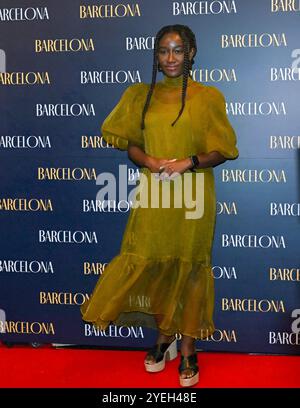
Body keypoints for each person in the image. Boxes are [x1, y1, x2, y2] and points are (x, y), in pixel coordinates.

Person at [81, 24, 238, 387]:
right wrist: (149, 160)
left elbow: (223, 150)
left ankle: (187, 348)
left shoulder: (207, 97)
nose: (170, 58)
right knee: (155, 265)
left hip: (194, 195)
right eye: (164, 51)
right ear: (156, 54)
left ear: (191, 53)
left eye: (178, 50)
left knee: (190, 266)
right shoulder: (139, 95)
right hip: (154, 194)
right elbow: (129, 143)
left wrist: (188, 161)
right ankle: (163, 338)